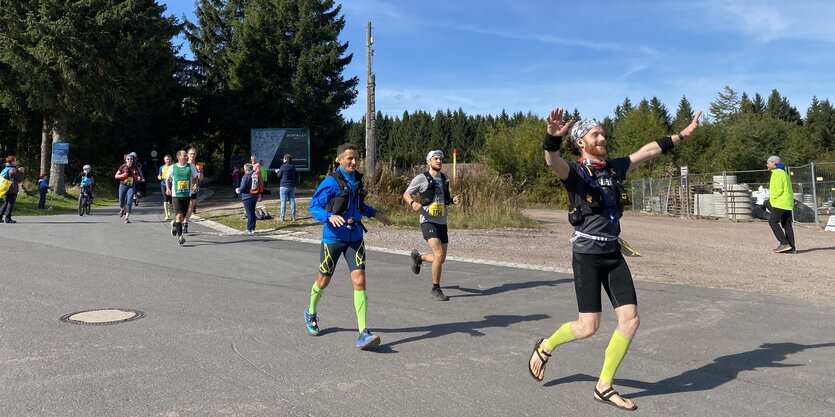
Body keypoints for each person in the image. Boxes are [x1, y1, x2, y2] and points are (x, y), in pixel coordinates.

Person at [527, 107, 702, 411]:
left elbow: (646, 152)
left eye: (603, 133)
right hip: (587, 256)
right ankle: (546, 346)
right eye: (596, 134)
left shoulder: (613, 168)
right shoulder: (576, 172)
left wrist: (682, 135)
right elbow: (552, 162)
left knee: (631, 320)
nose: (602, 137)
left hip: (612, 253)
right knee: (588, 327)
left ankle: (604, 385)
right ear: (581, 142)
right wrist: (551, 139)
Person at [305, 143, 392, 350]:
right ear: (340, 160)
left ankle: (363, 332)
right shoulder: (330, 182)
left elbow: (359, 205)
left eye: (356, 158)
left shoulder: (357, 181)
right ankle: (311, 312)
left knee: (360, 281)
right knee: (323, 281)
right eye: (350, 158)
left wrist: (375, 214)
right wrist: (328, 216)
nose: (354, 162)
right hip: (333, 239)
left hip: (355, 237)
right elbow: (314, 206)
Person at [402, 149, 462, 301]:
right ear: (428, 162)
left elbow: (445, 199)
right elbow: (406, 194)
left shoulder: (444, 178)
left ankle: (419, 258)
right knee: (439, 254)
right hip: (428, 220)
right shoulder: (421, 178)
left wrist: (453, 200)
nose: (439, 161)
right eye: (435, 158)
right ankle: (436, 288)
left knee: (440, 259)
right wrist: (412, 202)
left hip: (442, 221)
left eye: (441, 159)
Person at [165, 149, 199, 245]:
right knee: (179, 216)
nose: (186, 157)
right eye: (184, 155)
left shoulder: (190, 167)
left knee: (183, 216)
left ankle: (175, 224)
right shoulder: (173, 167)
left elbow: (195, 177)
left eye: (186, 155)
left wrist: (195, 184)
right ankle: (180, 237)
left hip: (187, 194)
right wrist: (168, 188)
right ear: (178, 157)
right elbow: (167, 178)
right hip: (176, 195)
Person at [766, 155, 795, 253]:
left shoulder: (777, 173)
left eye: (768, 162)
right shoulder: (783, 173)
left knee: (772, 222)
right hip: (787, 202)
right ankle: (791, 247)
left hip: (780, 202)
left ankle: (784, 243)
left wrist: (772, 199)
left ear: (774, 163)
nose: (767, 164)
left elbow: (778, 189)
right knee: (786, 224)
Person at [115, 154, 141, 223]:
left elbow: (137, 175)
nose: (129, 160)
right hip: (123, 185)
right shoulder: (122, 167)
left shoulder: (135, 167)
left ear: (133, 160)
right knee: (121, 200)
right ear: (126, 160)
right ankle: (122, 208)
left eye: (131, 159)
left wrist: (138, 178)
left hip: (131, 186)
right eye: (128, 159)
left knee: (129, 201)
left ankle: (126, 217)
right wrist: (122, 175)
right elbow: (116, 176)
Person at [183, 147, 203, 233]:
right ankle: (180, 221)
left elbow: (201, 179)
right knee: (184, 207)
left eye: (194, 154)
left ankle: (185, 223)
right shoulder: (184, 164)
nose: (192, 155)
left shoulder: (198, 164)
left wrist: (200, 171)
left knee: (191, 207)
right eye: (191, 154)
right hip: (184, 189)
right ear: (187, 155)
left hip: (194, 188)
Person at [0, 156, 25, 223]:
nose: (16, 162)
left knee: (6, 202)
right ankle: (8, 218)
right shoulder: (13, 170)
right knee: (10, 203)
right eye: (15, 161)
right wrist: (22, 172)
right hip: (12, 188)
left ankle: (0, 216)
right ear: (12, 162)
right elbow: (20, 179)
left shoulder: (5, 168)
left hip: (6, 188)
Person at [275, 154, 298, 221]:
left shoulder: (283, 166)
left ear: (285, 159)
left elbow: (279, 176)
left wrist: (277, 172)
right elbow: (295, 176)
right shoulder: (293, 166)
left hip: (284, 186)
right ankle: (293, 216)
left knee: (283, 202)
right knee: (292, 200)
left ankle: (282, 217)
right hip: (292, 186)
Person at [239, 163, 259, 234]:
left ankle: (249, 229)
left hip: (247, 197)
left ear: (246, 169)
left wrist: (239, 190)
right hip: (255, 195)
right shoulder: (255, 175)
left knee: (249, 213)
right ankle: (253, 228)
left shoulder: (246, 177)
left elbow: (243, 187)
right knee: (252, 212)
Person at [158, 154, 173, 220]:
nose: (168, 160)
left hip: (172, 184)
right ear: (164, 160)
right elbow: (159, 175)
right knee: (165, 200)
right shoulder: (162, 167)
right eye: (167, 159)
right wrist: (159, 177)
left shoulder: (173, 166)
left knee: (171, 201)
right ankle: (166, 214)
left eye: (169, 159)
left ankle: (170, 210)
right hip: (163, 184)